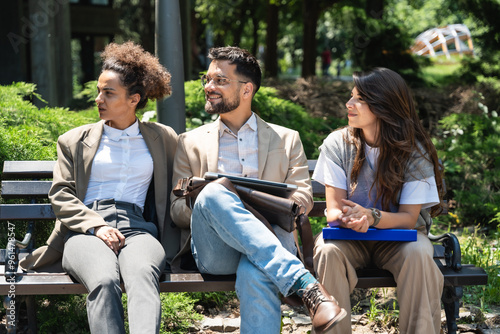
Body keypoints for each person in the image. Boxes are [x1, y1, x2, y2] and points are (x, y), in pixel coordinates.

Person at [170, 46, 346, 334]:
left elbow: (302, 194)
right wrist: (207, 202)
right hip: (217, 250)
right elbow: (176, 210)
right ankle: (305, 285)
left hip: (273, 235)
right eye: (208, 78)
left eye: (220, 80)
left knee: (256, 271)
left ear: (247, 89)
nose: (208, 87)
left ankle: (299, 282)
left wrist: (275, 204)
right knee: (214, 193)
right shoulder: (190, 142)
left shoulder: (287, 139)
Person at [19, 41, 179, 333]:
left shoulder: (162, 137)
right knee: (104, 280)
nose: (98, 99)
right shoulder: (74, 140)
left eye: (108, 93)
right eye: (98, 91)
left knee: (143, 276)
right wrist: (96, 226)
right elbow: (61, 193)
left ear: (134, 99)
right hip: (84, 230)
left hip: (138, 229)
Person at [312, 67, 445, 334]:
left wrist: (372, 216)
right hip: (348, 239)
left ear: (384, 105)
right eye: (351, 97)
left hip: (400, 238)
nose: (348, 104)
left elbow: (409, 218)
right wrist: (351, 219)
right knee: (327, 249)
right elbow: (334, 211)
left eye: (359, 99)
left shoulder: (414, 151)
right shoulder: (338, 144)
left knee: (419, 253)